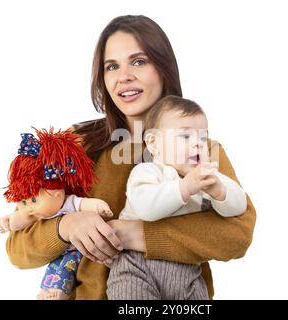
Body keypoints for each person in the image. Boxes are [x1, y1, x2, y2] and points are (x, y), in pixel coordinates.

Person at [5, 15, 256, 299]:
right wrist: (65, 226)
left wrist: (137, 235)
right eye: (112, 66)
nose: (124, 76)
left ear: (164, 68)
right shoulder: (75, 144)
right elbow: (17, 248)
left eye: (139, 61)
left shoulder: (200, 150)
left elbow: (237, 235)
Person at [106, 95, 248, 299]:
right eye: (185, 136)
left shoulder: (206, 177)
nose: (198, 145)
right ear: (153, 144)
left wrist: (219, 191)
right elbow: (147, 208)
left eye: (202, 138)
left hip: (187, 270)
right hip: (136, 267)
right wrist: (185, 186)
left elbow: (240, 205)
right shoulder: (148, 172)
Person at [0, 128, 112, 299]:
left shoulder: (69, 202)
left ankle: (60, 291)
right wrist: (8, 221)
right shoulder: (79, 137)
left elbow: (85, 204)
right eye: (23, 202)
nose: (29, 207)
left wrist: (99, 208)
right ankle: (47, 290)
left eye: (33, 201)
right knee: (54, 267)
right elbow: (17, 249)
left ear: (58, 193)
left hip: (79, 255)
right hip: (63, 251)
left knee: (67, 266)